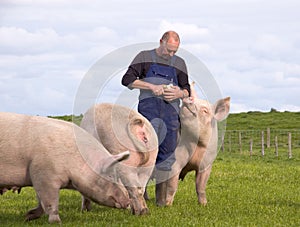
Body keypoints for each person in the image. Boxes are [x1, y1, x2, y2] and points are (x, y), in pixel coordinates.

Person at [121, 31, 190, 204]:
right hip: (148, 112)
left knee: (167, 157)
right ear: (161, 42)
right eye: (169, 50)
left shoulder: (180, 63)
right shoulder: (144, 57)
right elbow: (127, 79)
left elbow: (187, 89)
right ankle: (139, 196)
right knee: (144, 153)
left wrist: (179, 93)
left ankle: (161, 200)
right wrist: (151, 86)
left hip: (171, 114)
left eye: (175, 51)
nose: (171, 54)